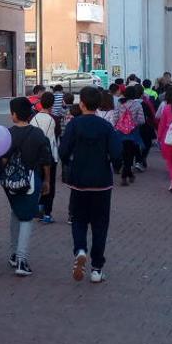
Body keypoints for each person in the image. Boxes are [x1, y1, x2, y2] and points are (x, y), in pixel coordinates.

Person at [59, 86, 122, 283]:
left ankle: (80, 250)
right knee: (100, 225)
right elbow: (117, 153)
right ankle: (97, 268)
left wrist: (70, 162)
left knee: (78, 220)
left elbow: (63, 151)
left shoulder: (74, 125)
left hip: (79, 181)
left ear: (82, 103)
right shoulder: (106, 127)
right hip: (102, 182)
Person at [3, 97, 52, 277]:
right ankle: (22, 260)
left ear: (14, 115)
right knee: (27, 217)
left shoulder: (7, 134)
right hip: (32, 181)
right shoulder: (38, 134)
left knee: (16, 212)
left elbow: (1, 160)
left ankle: (14, 253)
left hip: (10, 183)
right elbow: (46, 159)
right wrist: (47, 180)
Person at [30, 92, 59, 223]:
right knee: (50, 184)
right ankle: (47, 213)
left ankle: (38, 207)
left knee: (37, 182)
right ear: (52, 104)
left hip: (35, 156)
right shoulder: (54, 119)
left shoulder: (33, 118)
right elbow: (57, 136)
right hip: (51, 156)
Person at [113, 85, 146, 186]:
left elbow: (115, 117)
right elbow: (141, 121)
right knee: (130, 155)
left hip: (120, 132)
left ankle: (129, 175)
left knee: (124, 154)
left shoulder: (120, 103)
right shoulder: (137, 105)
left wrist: (117, 125)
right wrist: (133, 123)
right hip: (132, 133)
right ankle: (125, 175)